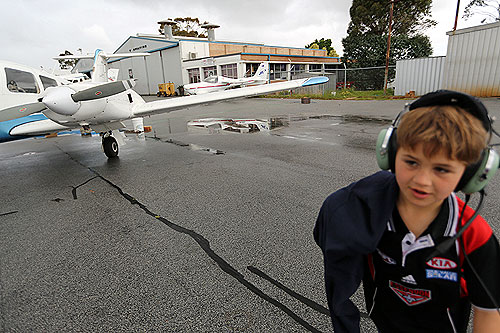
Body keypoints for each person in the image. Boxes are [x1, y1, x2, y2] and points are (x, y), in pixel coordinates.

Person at [313, 90, 500, 332]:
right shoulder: (365, 212)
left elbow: (488, 310)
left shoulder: (474, 234)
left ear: (470, 175)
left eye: (442, 169)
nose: (422, 180)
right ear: (390, 154)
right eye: (411, 162)